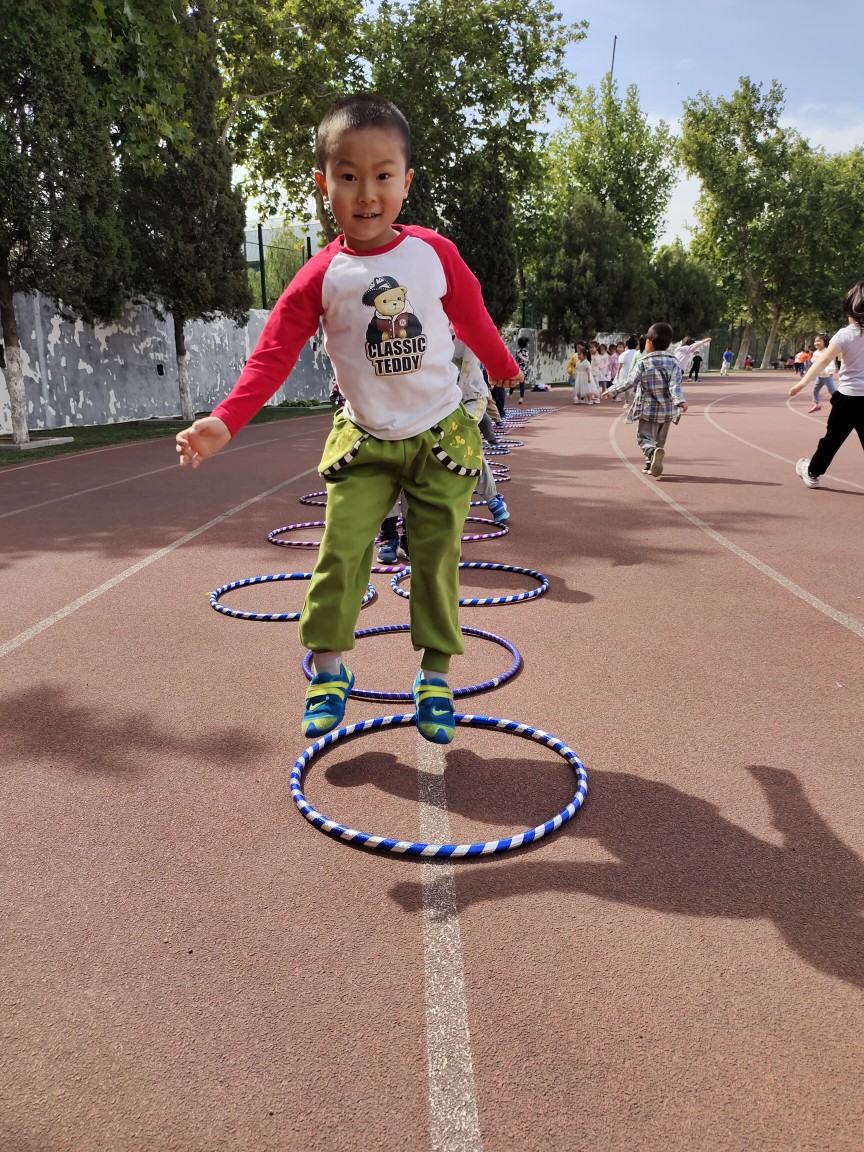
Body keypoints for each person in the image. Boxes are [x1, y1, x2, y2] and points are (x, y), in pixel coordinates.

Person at [175, 93, 521, 744]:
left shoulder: (434, 254)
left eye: (383, 175)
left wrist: (502, 365)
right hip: (364, 440)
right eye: (349, 176)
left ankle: (435, 678)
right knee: (340, 553)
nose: (367, 193)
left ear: (406, 182)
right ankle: (330, 672)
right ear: (323, 183)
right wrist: (225, 420)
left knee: (436, 558)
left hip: (439, 435)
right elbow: (272, 354)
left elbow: (472, 314)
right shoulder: (321, 275)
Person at [789, 281, 864, 488]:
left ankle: (812, 473)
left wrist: (803, 382)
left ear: (850, 309)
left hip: (847, 398)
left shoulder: (845, 334)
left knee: (832, 439)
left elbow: (823, 361)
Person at [601, 321, 687, 477]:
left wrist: (611, 390)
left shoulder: (644, 362)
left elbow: (629, 382)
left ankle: (652, 453)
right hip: (667, 411)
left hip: (649, 409)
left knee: (644, 438)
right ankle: (650, 463)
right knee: (659, 440)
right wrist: (679, 400)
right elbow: (675, 384)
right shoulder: (674, 361)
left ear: (649, 342)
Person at [806, 333, 836, 412]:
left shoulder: (827, 351)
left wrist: (830, 371)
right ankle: (817, 405)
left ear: (825, 342)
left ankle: (839, 404)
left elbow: (831, 362)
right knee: (815, 390)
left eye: (819, 341)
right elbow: (814, 363)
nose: (816, 343)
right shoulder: (815, 353)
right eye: (815, 341)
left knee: (832, 391)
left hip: (827, 376)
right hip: (819, 376)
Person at [512, 335, 531, 404]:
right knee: (521, 383)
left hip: (519, 369)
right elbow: (523, 358)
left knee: (515, 382)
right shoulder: (526, 351)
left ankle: (513, 394)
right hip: (524, 369)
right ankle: (521, 398)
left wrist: (526, 360)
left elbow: (521, 357)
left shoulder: (518, 351)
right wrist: (527, 360)